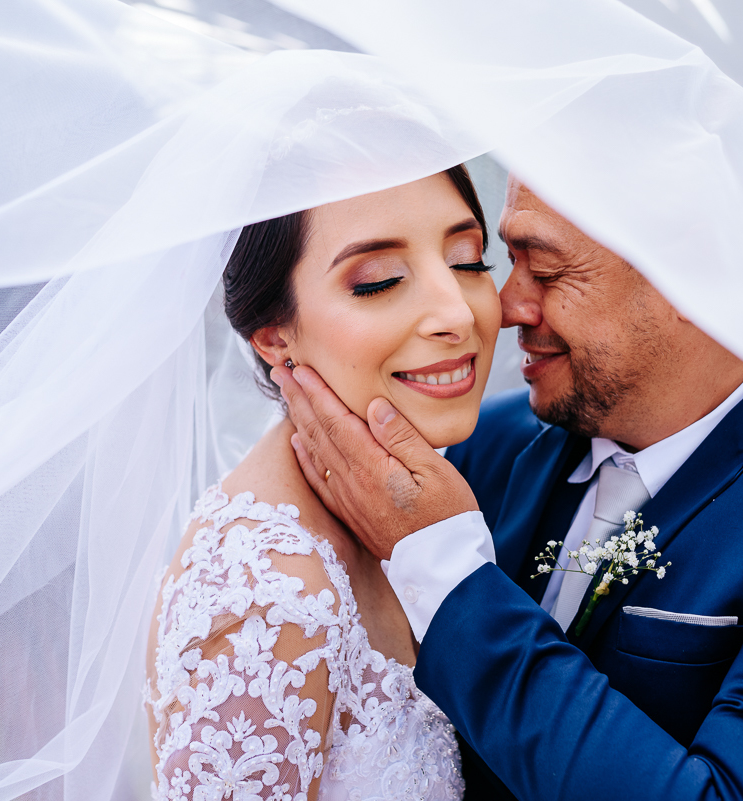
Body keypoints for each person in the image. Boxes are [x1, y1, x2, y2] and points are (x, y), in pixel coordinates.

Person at [274, 176, 743, 800]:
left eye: (547, 272)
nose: (502, 306)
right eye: (501, 261)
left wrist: (449, 572)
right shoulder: (477, 449)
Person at [144, 166, 501, 800]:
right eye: (380, 281)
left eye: (469, 262)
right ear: (274, 337)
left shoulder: (430, 502)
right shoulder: (266, 589)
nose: (457, 313)